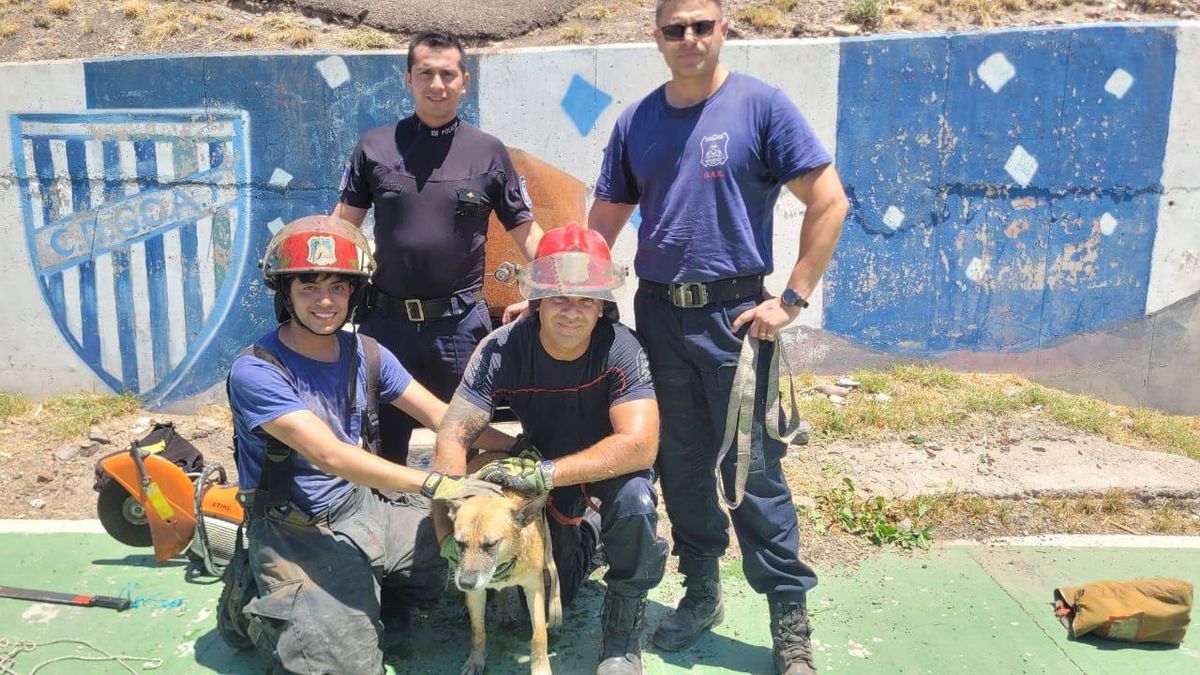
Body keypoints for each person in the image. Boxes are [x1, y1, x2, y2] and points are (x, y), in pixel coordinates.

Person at [586, 1, 850, 673]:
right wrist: (560, 298)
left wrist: (790, 299)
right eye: (675, 28)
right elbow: (602, 227)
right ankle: (701, 593)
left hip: (734, 319)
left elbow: (830, 199)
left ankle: (790, 624)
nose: (690, 39)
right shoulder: (635, 122)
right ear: (657, 38)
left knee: (753, 472)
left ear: (724, 29)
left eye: (703, 25)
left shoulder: (761, 107)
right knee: (677, 465)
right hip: (659, 317)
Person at [225, 215, 514, 674]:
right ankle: (260, 608)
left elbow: (444, 417)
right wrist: (439, 484)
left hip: (361, 509)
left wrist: (522, 452)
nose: (326, 301)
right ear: (285, 293)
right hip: (296, 532)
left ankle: (371, 593)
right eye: (309, 287)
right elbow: (330, 455)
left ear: (355, 293)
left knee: (457, 556)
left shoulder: (367, 352)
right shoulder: (258, 371)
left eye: (339, 287)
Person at [431, 223, 668, 675]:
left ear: (602, 305)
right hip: (537, 477)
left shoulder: (622, 348)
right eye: (559, 298)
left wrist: (548, 473)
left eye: (585, 300)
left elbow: (640, 446)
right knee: (545, 603)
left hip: (601, 472)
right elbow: (453, 434)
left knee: (637, 501)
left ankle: (621, 631)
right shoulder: (500, 350)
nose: (572, 312)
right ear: (537, 301)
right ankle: (587, 538)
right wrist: (450, 525)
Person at [332, 30, 545, 467]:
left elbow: (528, 234)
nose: (437, 84)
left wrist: (555, 288)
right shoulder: (374, 147)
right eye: (425, 73)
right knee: (380, 450)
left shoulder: (488, 153)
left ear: (464, 80)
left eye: (447, 74)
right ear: (408, 78)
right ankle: (386, 528)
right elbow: (340, 233)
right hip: (385, 328)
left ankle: (458, 533)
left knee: (464, 445)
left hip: (459, 330)